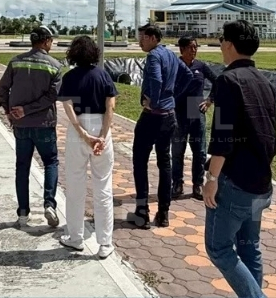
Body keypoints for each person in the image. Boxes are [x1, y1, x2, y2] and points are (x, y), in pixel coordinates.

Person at [204, 19, 276, 298]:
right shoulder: (265, 82)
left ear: (230, 45)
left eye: (222, 40)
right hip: (261, 182)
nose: (221, 45)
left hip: (235, 183)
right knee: (249, 245)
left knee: (219, 247)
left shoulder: (227, 80)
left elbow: (222, 138)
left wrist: (211, 179)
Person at [0, 26, 63, 229]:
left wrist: (10, 111)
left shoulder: (16, 61)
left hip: (21, 126)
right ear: (46, 42)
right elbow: (52, 96)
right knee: (50, 162)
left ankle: (23, 213)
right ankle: (49, 204)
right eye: (51, 41)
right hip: (44, 124)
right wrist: (29, 109)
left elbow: (1, 89)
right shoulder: (55, 66)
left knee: (22, 167)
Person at [57, 35, 117, 258]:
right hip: (102, 127)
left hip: (78, 130)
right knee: (103, 187)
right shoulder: (103, 76)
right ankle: (105, 244)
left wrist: (82, 133)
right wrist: (101, 136)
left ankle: (75, 237)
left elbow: (69, 107)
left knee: (75, 186)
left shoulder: (70, 77)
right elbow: (110, 107)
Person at [127, 24, 191, 229]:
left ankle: (142, 211)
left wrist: (153, 101)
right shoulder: (171, 55)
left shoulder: (154, 56)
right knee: (165, 162)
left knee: (140, 161)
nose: (140, 42)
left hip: (152, 116)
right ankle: (163, 213)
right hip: (169, 116)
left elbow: (155, 79)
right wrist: (171, 96)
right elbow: (188, 75)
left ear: (153, 38)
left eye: (143, 38)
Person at [173, 33, 216, 200]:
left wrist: (210, 100)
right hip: (178, 111)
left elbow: (217, 81)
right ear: (182, 49)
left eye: (195, 47)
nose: (194, 50)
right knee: (177, 150)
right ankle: (177, 183)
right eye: (191, 47)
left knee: (199, 152)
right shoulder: (175, 65)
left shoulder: (201, 66)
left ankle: (198, 184)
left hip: (196, 109)